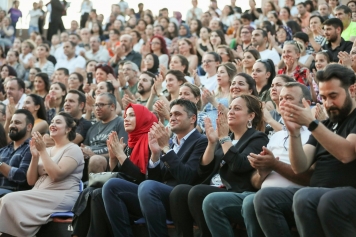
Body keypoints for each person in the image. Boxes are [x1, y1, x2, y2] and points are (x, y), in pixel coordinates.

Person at [254, 64, 356, 237]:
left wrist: (312, 124)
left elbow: (347, 154)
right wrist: (294, 134)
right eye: (323, 97)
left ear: (352, 90)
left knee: (307, 197)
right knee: (264, 198)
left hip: (347, 191)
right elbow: (300, 166)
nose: (328, 103)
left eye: (333, 96)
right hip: (317, 191)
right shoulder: (325, 125)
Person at [202, 82, 313, 237]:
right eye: (280, 99)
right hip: (261, 193)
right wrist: (262, 172)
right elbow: (255, 181)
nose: (282, 102)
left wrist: (275, 164)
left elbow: (311, 178)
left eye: (288, 98)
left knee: (253, 201)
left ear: (306, 104)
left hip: (293, 195)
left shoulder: (313, 134)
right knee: (211, 201)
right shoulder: (276, 136)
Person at [170, 95, 268, 237]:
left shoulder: (257, 138)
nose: (231, 111)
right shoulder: (225, 137)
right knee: (179, 192)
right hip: (213, 187)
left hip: (236, 191)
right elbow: (204, 170)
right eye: (231, 108)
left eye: (237, 108)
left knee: (197, 192)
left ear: (251, 116)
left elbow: (238, 165)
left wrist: (223, 138)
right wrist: (211, 143)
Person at [119, 99, 207, 237]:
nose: (172, 118)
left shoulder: (201, 141)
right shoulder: (171, 143)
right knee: (112, 186)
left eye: (177, 114)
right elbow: (156, 179)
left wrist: (165, 148)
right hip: (159, 196)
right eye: (170, 114)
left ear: (193, 119)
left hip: (182, 198)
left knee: (147, 186)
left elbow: (187, 178)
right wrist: (155, 155)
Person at [72, 104, 158, 237]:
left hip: (144, 196)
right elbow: (119, 175)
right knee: (89, 191)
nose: (126, 119)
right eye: (125, 116)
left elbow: (141, 180)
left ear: (143, 118)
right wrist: (113, 158)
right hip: (123, 192)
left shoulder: (151, 141)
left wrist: (120, 155)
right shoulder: (130, 143)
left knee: (98, 194)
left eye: (132, 115)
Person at [0, 112, 84, 236]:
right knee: (5, 200)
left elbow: (56, 175)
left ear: (68, 129)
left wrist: (42, 151)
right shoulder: (47, 150)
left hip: (61, 195)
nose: (53, 125)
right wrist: (35, 156)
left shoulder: (73, 149)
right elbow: (31, 181)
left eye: (58, 122)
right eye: (52, 122)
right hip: (38, 192)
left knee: (8, 200)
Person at [81, 92, 128, 169]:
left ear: (112, 106)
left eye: (101, 105)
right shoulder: (93, 127)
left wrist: (93, 155)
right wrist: (83, 150)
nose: (97, 108)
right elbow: (86, 146)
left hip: (109, 165)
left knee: (96, 160)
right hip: (88, 163)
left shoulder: (121, 123)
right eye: (96, 105)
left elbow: (122, 152)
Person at [0, 109, 33, 196]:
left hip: (15, 194)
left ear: (29, 127)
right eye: (11, 122)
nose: (12, 125)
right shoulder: (4, 150)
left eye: (17, 123)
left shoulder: (32, 148)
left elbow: (22, 177)